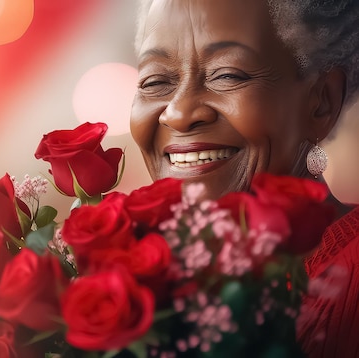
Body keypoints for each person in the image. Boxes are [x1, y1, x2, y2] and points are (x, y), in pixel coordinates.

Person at [129, 0, 359, 357]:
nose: (178, 113)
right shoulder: (146, 289)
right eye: (155, 81)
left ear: (321, 102)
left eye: (227, 74)